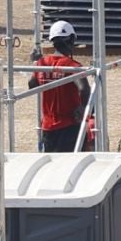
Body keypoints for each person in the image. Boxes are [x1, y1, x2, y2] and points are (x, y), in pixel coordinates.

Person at [29, 20, 88, 153]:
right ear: (71, 40)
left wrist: (35, 63)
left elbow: (32, 85)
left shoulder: (42, 64)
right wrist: (83, 108)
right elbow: (84, 88)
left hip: (48, 128)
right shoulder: (72, 65)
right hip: (70, 126)